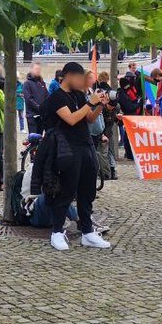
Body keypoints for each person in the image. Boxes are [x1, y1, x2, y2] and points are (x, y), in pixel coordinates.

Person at [31, 62, 111, 252]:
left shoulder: (78, 95)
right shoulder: (56, 98)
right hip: (67, 149)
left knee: (87, 189)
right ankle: (57, 232)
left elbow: (89, 118)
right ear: (68, 76)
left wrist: (100, 105)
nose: (81, 82)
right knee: (66, 190)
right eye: (79, 78)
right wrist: (90, 102)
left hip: (86, 145)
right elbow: (72, 119)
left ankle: (88, 232)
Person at [22, 62, 49, 136]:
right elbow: (28, 99)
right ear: (31, 70)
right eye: (36, 69)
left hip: (42, 115)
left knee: (40, 137)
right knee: (34, 138)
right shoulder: (27, 83)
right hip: (32, 116)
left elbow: (47, 96)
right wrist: (39, 107)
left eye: (39, 69)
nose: (38, 71)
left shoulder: (42, 83)